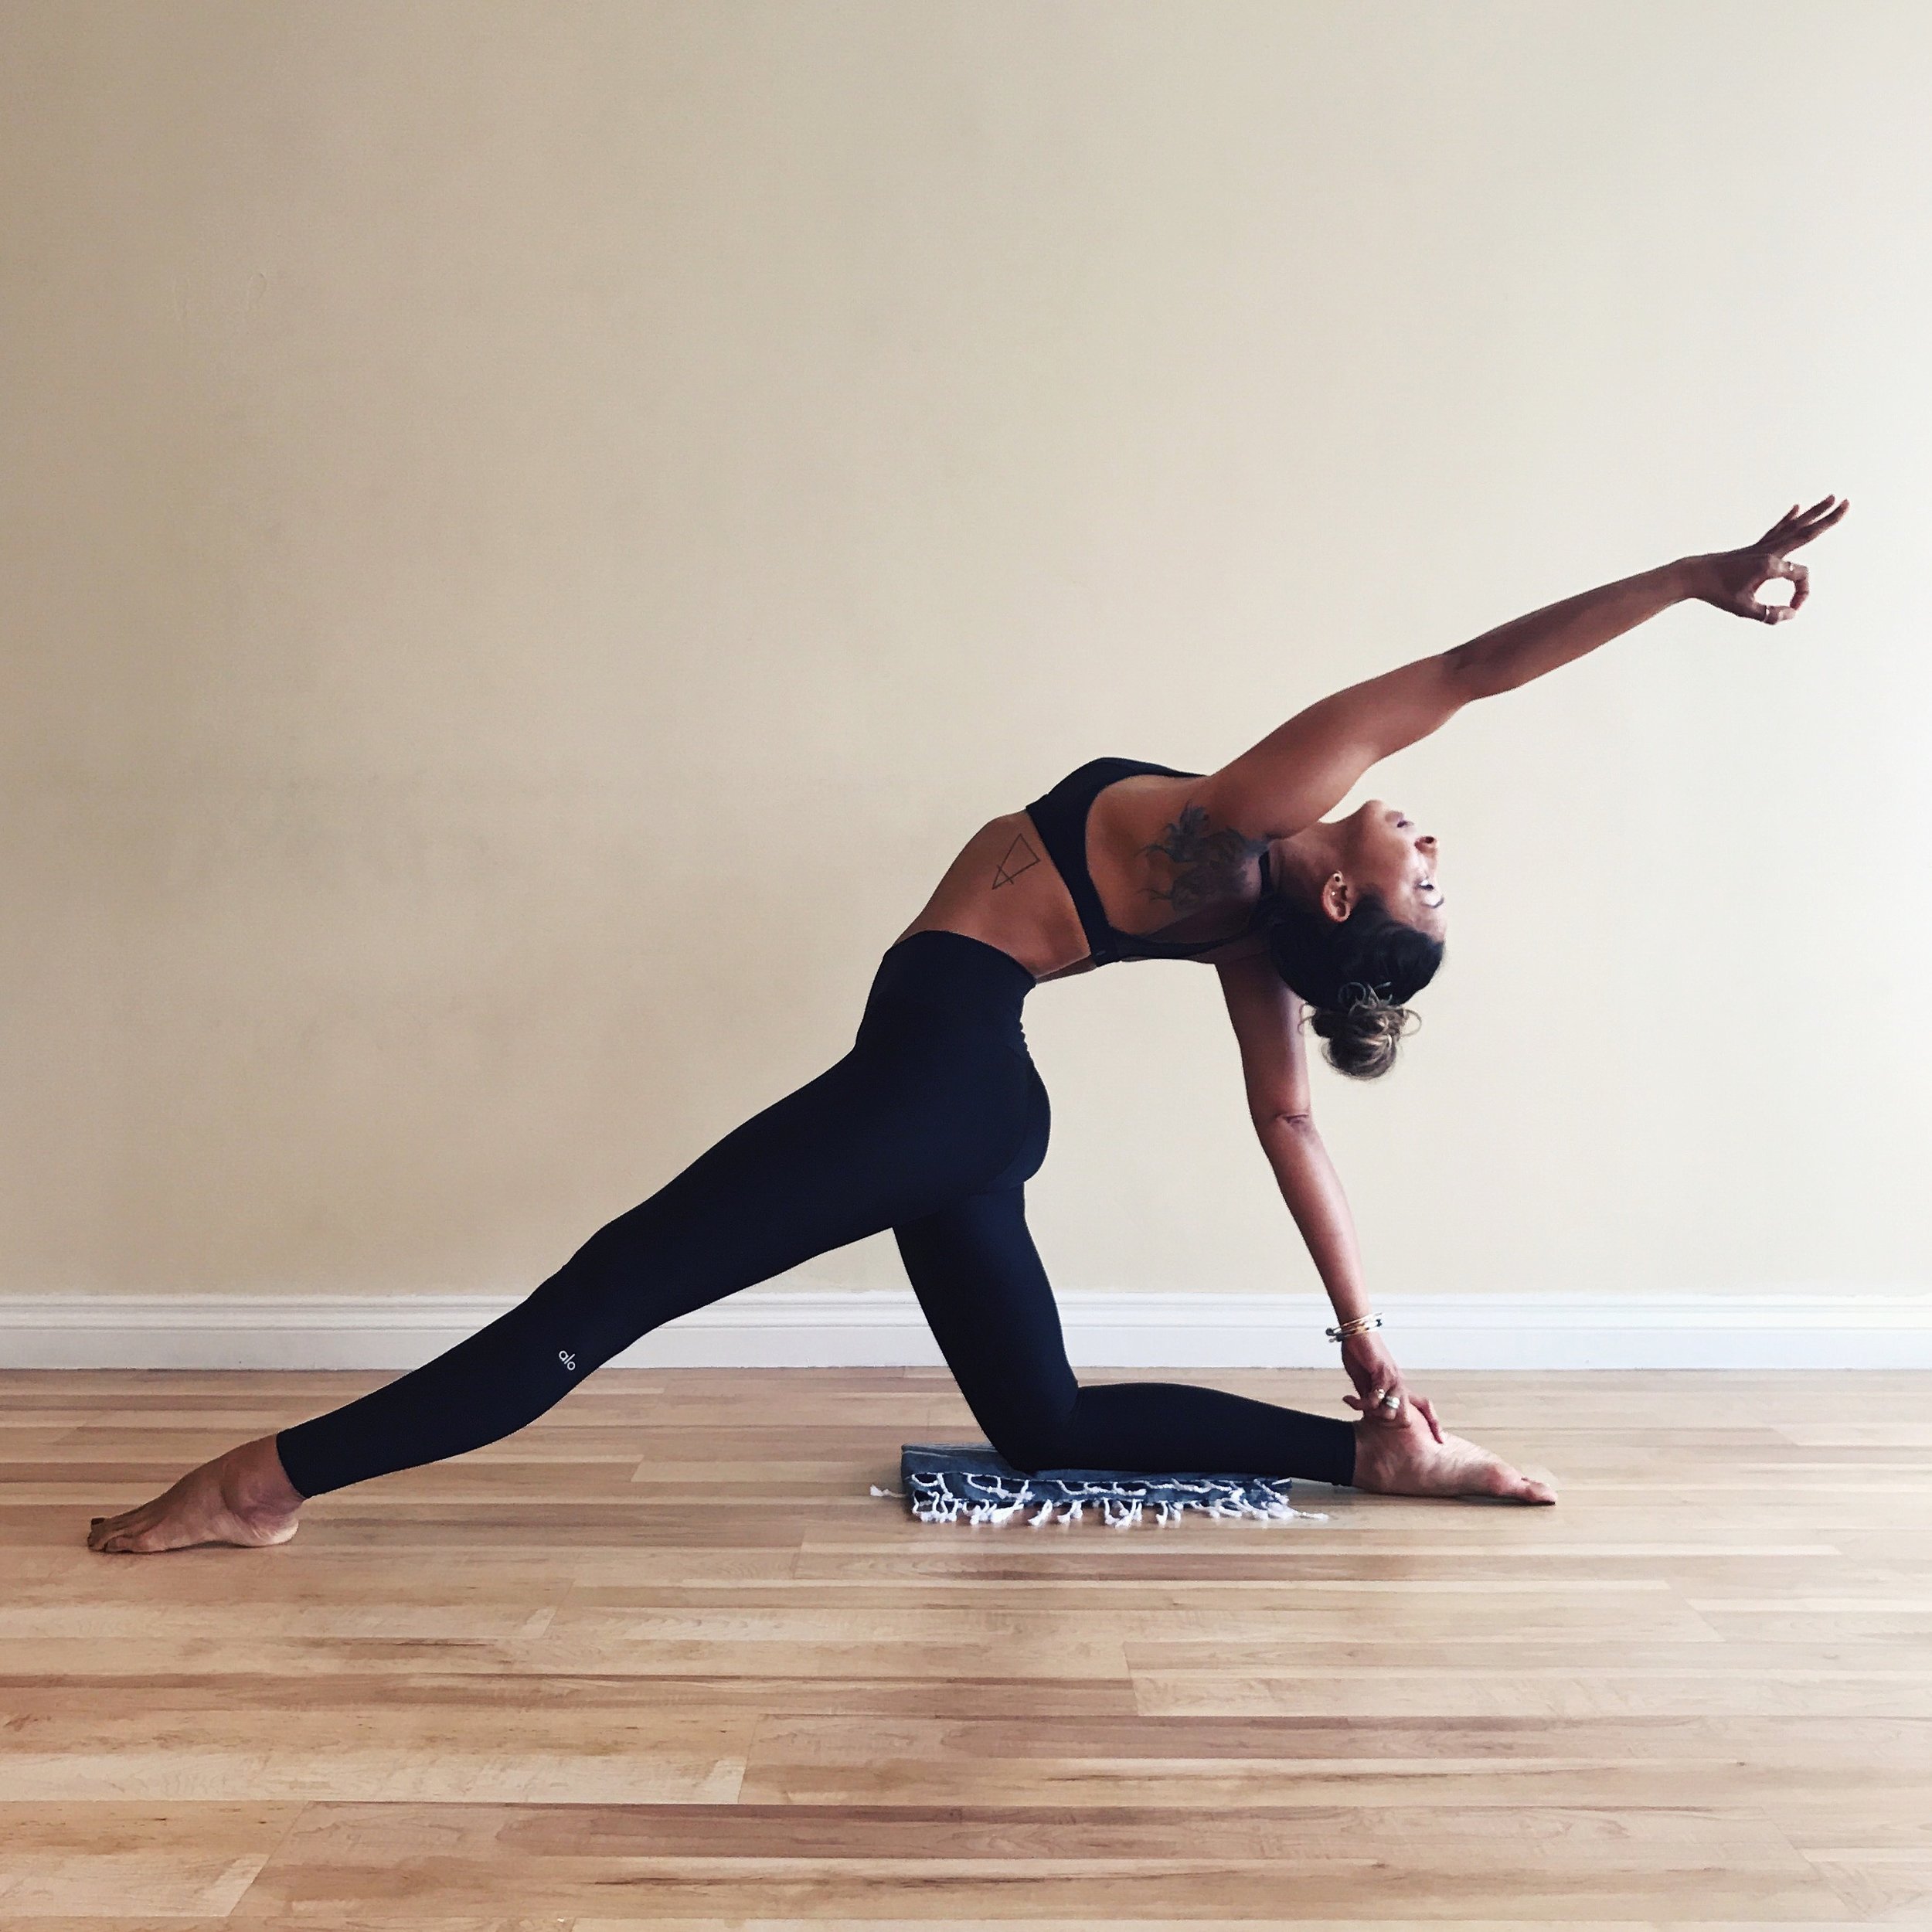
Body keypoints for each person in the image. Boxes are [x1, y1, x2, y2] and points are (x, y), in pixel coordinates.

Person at [87, 495, 1847, 1553]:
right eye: (1433, 860)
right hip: (962, 1103)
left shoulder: (1234, 832)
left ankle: (268, 1482)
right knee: (1050, 1432)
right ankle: (1364, 1462)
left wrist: (1684, 579)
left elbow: (1460, 678)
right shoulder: (1239, 898)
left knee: (595, 1300)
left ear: (1338, 896)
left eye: (1422, 873)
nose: (1426, 837)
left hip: (942, 1080)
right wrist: (1365, 1359)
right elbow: (1289, 1123)